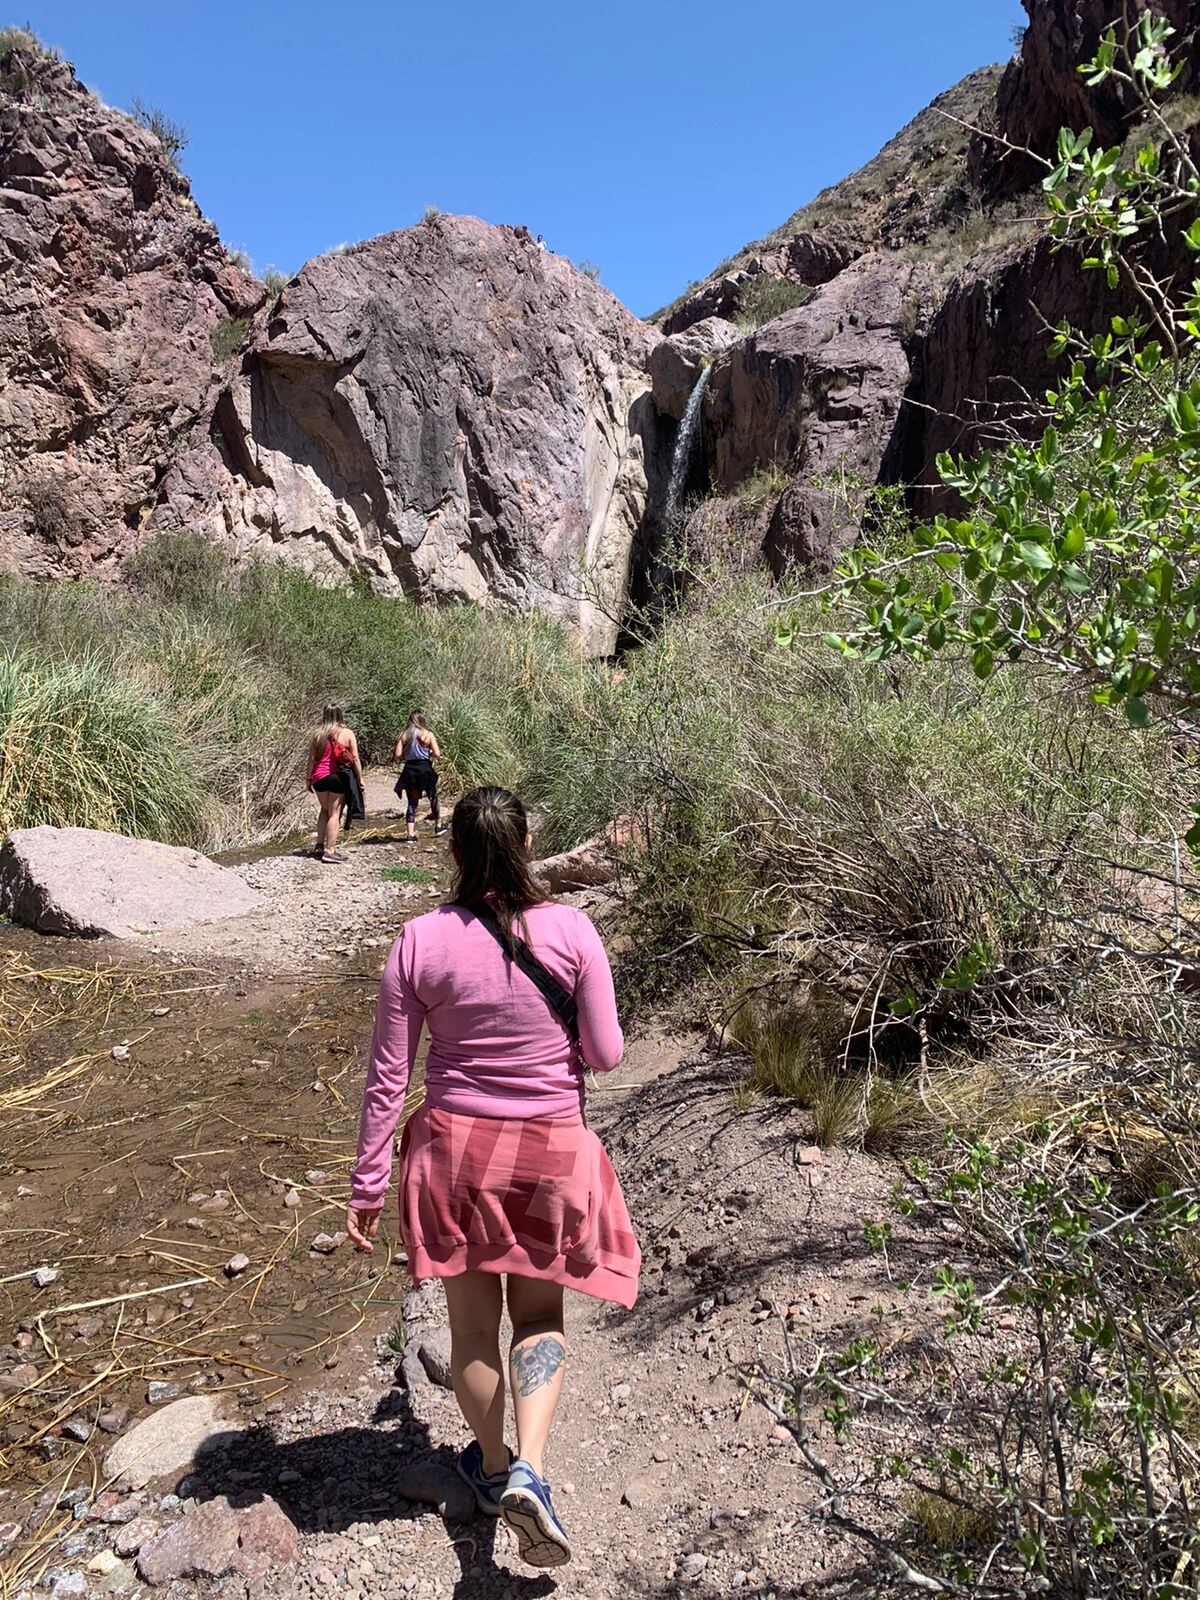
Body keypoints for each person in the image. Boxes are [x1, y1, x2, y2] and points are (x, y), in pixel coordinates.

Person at [346, 786, 639, 1569]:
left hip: (453, 1159)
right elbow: (607, 1054)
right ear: (527, 843)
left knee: (471, 1329)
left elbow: (386, 1078)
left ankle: (492, 1466)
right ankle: (533, 1475)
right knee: (539, 1318)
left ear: (454, 855)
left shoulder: (418, 940)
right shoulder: (573, 929)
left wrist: (368, 1184)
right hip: (549, 1152)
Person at [307, 704, 364, 865]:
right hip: (336, 778)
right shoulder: (346, 733)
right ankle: (330, 851)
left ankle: (319, 845)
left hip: (318, 778)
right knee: (335, 813)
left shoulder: (317, 734)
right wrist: (360, 779)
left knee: (325, 809)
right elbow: (355, 759)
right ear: (340, 715)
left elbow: (311, 759)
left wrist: (308, 779)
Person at [394, 711, 443, 844]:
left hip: (410, 770)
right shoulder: (428, 734)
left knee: (412, 802)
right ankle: (438, 826)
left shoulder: (404, 735)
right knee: (432, 796)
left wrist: (407, 754)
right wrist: (430, 753)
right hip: (425, 768)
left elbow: (397, 755)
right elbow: (437, 754)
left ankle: (410, 834)